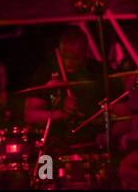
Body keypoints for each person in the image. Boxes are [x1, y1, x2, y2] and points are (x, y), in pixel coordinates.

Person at [24, 26, 131, 156]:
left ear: (86, 52)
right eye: (65, 57)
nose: (69, 62)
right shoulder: (46, 71)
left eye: (74, 58)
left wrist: (107, 136)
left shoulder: (103, 73)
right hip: (57, 149)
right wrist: (62, 114)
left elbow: (125, 119)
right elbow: (30, 115)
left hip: (96, 148)